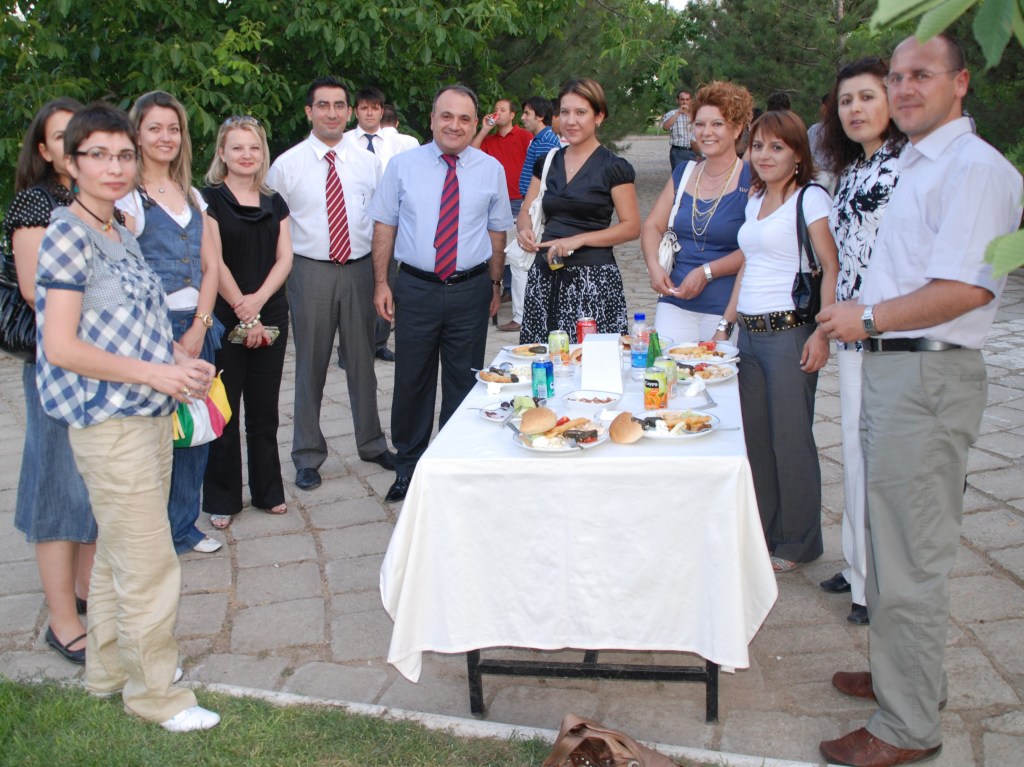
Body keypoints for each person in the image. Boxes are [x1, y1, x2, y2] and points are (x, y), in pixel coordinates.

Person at [817, 34, 1022, 767]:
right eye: (896, 76)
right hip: (895, 371)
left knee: (911, 555)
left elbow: (967, 288)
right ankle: (904, 679)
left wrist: (868, 318)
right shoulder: (914, 164)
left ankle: (907, 726)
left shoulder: (975, 170)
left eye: (921, 76)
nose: (904, 89)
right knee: (888, 542)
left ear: (960, 83)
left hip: (926, 376)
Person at [37, 102, 220, 731]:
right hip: (109, 423)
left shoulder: (118, 226)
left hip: (146, 415)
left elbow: (131, 327)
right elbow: (61, 346)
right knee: (149, 564)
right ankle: (156, 696)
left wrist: (176, 361)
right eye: (99, 155)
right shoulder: (68, 234)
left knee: (118, 558)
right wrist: (154, 373)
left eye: (123, 155)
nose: (114, 167)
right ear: (70, 162)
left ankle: (109, 673)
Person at [369, 84, 512, 503]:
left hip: (471, 289)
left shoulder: (490, 169)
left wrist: (495, 284)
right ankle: (409, 469)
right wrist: (382, 283)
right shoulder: (402, 166)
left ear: (475, 123)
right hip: (416, 288)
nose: (455, 125)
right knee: (411, 380)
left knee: (464, 382)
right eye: (446, 116)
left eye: (465, 118)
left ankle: (452, 467)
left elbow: (497, 232)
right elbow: (384, 225)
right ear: (432, 120)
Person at [714, 110, 839, 573]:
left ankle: (799, 542)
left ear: (797, 154)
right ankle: (764, 533)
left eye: (777, 147)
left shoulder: (811, 199)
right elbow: (749, 264)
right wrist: (725, 324)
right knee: (757, 441)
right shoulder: (755, 200)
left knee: (790, 439)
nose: (764, 155)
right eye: (758, 146)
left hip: (789, 333)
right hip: (749, 334)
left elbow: (830, 266)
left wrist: (823, 332)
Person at [267, 77, 395, 492]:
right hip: (310, 271)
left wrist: (381, 278)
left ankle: (372, 444)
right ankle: (307, 455)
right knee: (311, 364)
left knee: (362, 361)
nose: (332, 113)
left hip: (359, 269)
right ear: (309, 111)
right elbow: (273, 227)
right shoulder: (286, 165)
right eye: (323, 105)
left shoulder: (367, 162)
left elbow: (381, 220)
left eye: (340, 105)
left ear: (349, 111)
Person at [4, 97, 95, 665]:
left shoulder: (92, 201)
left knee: (90, 483)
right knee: (59, 486)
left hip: (99, 366)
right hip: (60, 364)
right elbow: (36, 289)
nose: (72, 146)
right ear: (43, 149)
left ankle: (85, 594)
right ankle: (62, 622)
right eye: (61, 137)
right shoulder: (36, 202)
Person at [816, 57, 907, 628]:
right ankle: (855, 565)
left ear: (893, 101)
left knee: (875, 458)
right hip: (851, 333)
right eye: (846, 100)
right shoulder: (853, 170)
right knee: (851, 448)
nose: (855, 109)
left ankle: (875, 585)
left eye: (868, 97)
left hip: (890, 332)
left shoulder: (907, 168)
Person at [119, 91, 223, 556]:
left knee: (195, 429)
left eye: (174, 128)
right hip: (150, 329)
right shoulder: (127, 198)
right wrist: (169, 341)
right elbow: (124, 273)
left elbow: (211, 266)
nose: (166, 137)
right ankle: (149, 533)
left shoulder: (192, 195)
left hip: (197, 322)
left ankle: (183, 527)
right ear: (137, 134)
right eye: (155, 128)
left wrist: (200, 325)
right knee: (154, 433)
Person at [200, 116, 293, 530]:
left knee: (264, 409)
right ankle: (222, 498)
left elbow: (285, 258)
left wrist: (258, 303)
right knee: (225, 409)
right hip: (224, 314)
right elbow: (213, 261)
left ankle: (268, 491)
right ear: (222, 153)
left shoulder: (275, 200)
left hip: (270, 312)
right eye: (237, 147)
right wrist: (243, 307)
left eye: (254, 147)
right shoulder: (208, 200)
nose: (246, 155)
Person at [517, 78, 641, 343]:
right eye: (564, 112)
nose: (570, 121)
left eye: (581, 112)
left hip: (593, 280)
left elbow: (631, 227)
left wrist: (580, 239)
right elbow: (526, 209)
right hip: (545, 276)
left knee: (592, 361)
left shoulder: (614, 167)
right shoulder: (547, 162)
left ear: (599, 116)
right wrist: (524, 230)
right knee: (542, 359)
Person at [642, 81, 754, 341]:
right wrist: (654, 267)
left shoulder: (751, 179)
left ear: (737, 128)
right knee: (666, 364)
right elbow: (652, 226)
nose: (706, 132)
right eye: (700, 124)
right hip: (674, 300)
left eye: (717, 124)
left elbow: (755, 247)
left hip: (725, 307)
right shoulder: (684, 172)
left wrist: (707, 272)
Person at [342, 86, 396, 362]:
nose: (370, 113)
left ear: (381, 111)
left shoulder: (398, 142)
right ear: (355, 112)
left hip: (388, 225)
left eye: (375, 108)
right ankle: (348, 349)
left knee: (387, 282)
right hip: (354, 226)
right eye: (364, 108)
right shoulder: (343, 141)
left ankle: (379, 342)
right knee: (354, 292)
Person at [498, 95, 561, 334]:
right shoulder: (538, 140)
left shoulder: (546, 143)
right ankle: (533, 313)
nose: (523, 118)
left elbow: (546, 181)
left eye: (526, 113)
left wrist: (534, 211)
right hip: (532, 207)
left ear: (540, 116)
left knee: (521, 259)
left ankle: (522, 316)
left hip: (538, 210)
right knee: (536, 261)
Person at [473, 97, 533, 326]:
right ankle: (500, 288)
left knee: (516, 250)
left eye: (502, 110)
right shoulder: (489, 139)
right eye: (495, 109)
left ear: (512, 115)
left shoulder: (524, 136)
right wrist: (483, 129)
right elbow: (472, 152)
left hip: (519, 199)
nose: (497, 113)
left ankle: (514, 297)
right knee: (497, 245)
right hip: (496, 198)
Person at [662, 89, 698, 169]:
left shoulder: (695, 114)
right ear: (677, 100)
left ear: (690, 101)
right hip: (678, 152)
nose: (685, 102)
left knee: (693, 175)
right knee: (678, 174)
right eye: (682, 99)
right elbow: (666, 127)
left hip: (693, 151)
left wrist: (688, 113)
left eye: (687, 99)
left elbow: (700, 126)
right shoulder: (671, 113)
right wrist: (678, 113)